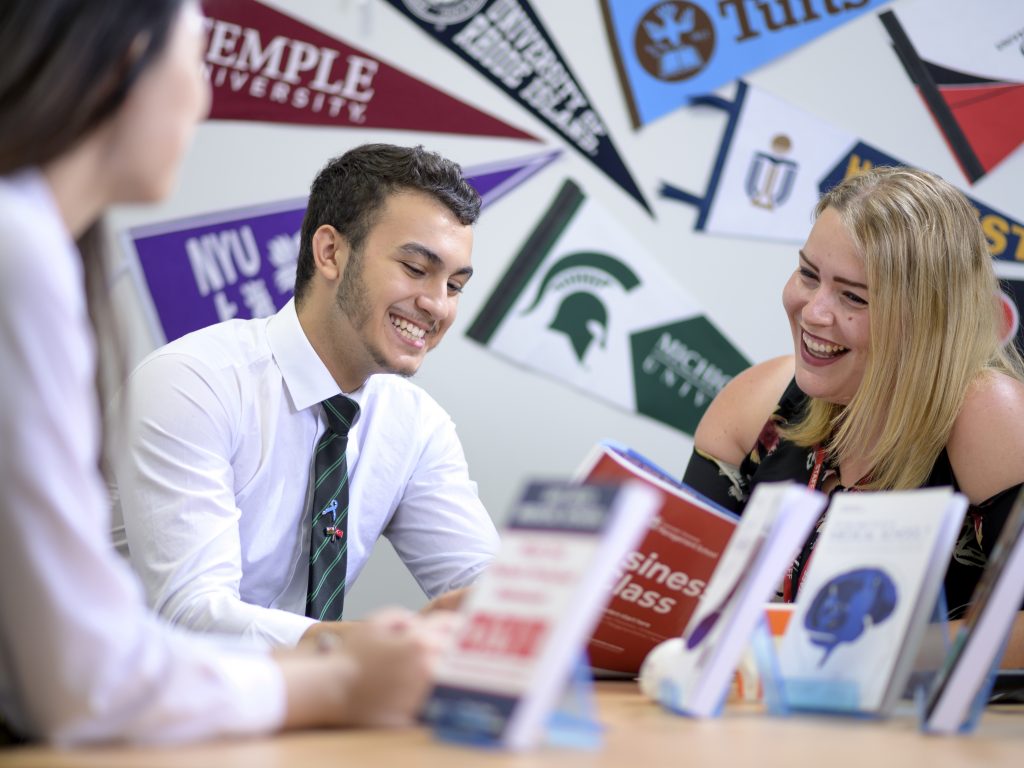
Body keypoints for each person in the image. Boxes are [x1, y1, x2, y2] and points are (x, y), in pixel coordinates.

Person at [0, 0, 457, 745]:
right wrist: (338, 672)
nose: (207, 100)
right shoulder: (23, 252)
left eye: (456, 283)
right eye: (199, 61)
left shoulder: (38, 244)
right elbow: (87, 676)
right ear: (125, 61)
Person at [111, 143, 500, 649]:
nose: (437, 305)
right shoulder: (192, 383)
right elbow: (191, 614)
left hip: (292, 713)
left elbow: (488, 593)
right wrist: (376, 648)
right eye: (415, 268)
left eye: (454, 285)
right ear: (331, 252)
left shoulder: (418, 427)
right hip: (120, 712)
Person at [682, 166, 1024, 662]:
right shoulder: (757, 405)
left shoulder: (988, 411)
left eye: (854, 297)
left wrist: (852, 657)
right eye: (807, 274)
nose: (814, 312)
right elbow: (680, 591)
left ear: (929, 319)